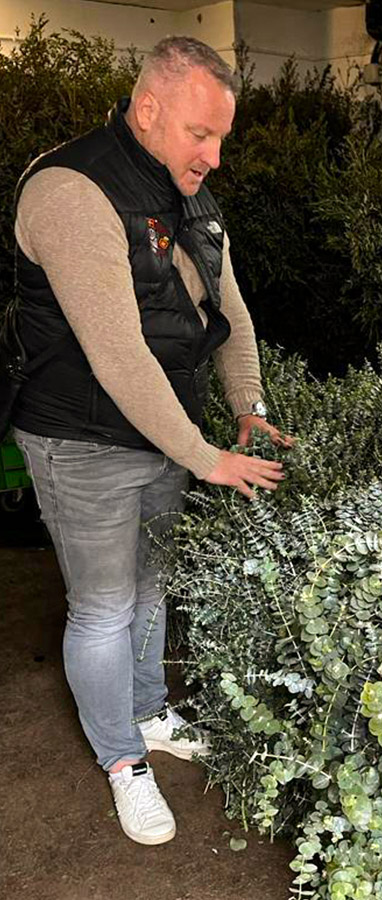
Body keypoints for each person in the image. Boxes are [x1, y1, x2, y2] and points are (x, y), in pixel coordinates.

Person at [9, 35, 291, 845]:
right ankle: (120, 761)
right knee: (102, 606)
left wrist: (247, 405)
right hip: (80, 438)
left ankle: (144, 714)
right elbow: (117, 353)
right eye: (201, 135)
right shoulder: (71, 189)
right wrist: (208, 460)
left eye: (222, 139)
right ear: (148, 109)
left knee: (148, 588)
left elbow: (229, 308)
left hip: (163, 430)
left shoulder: (190, 192)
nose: (213, 156)